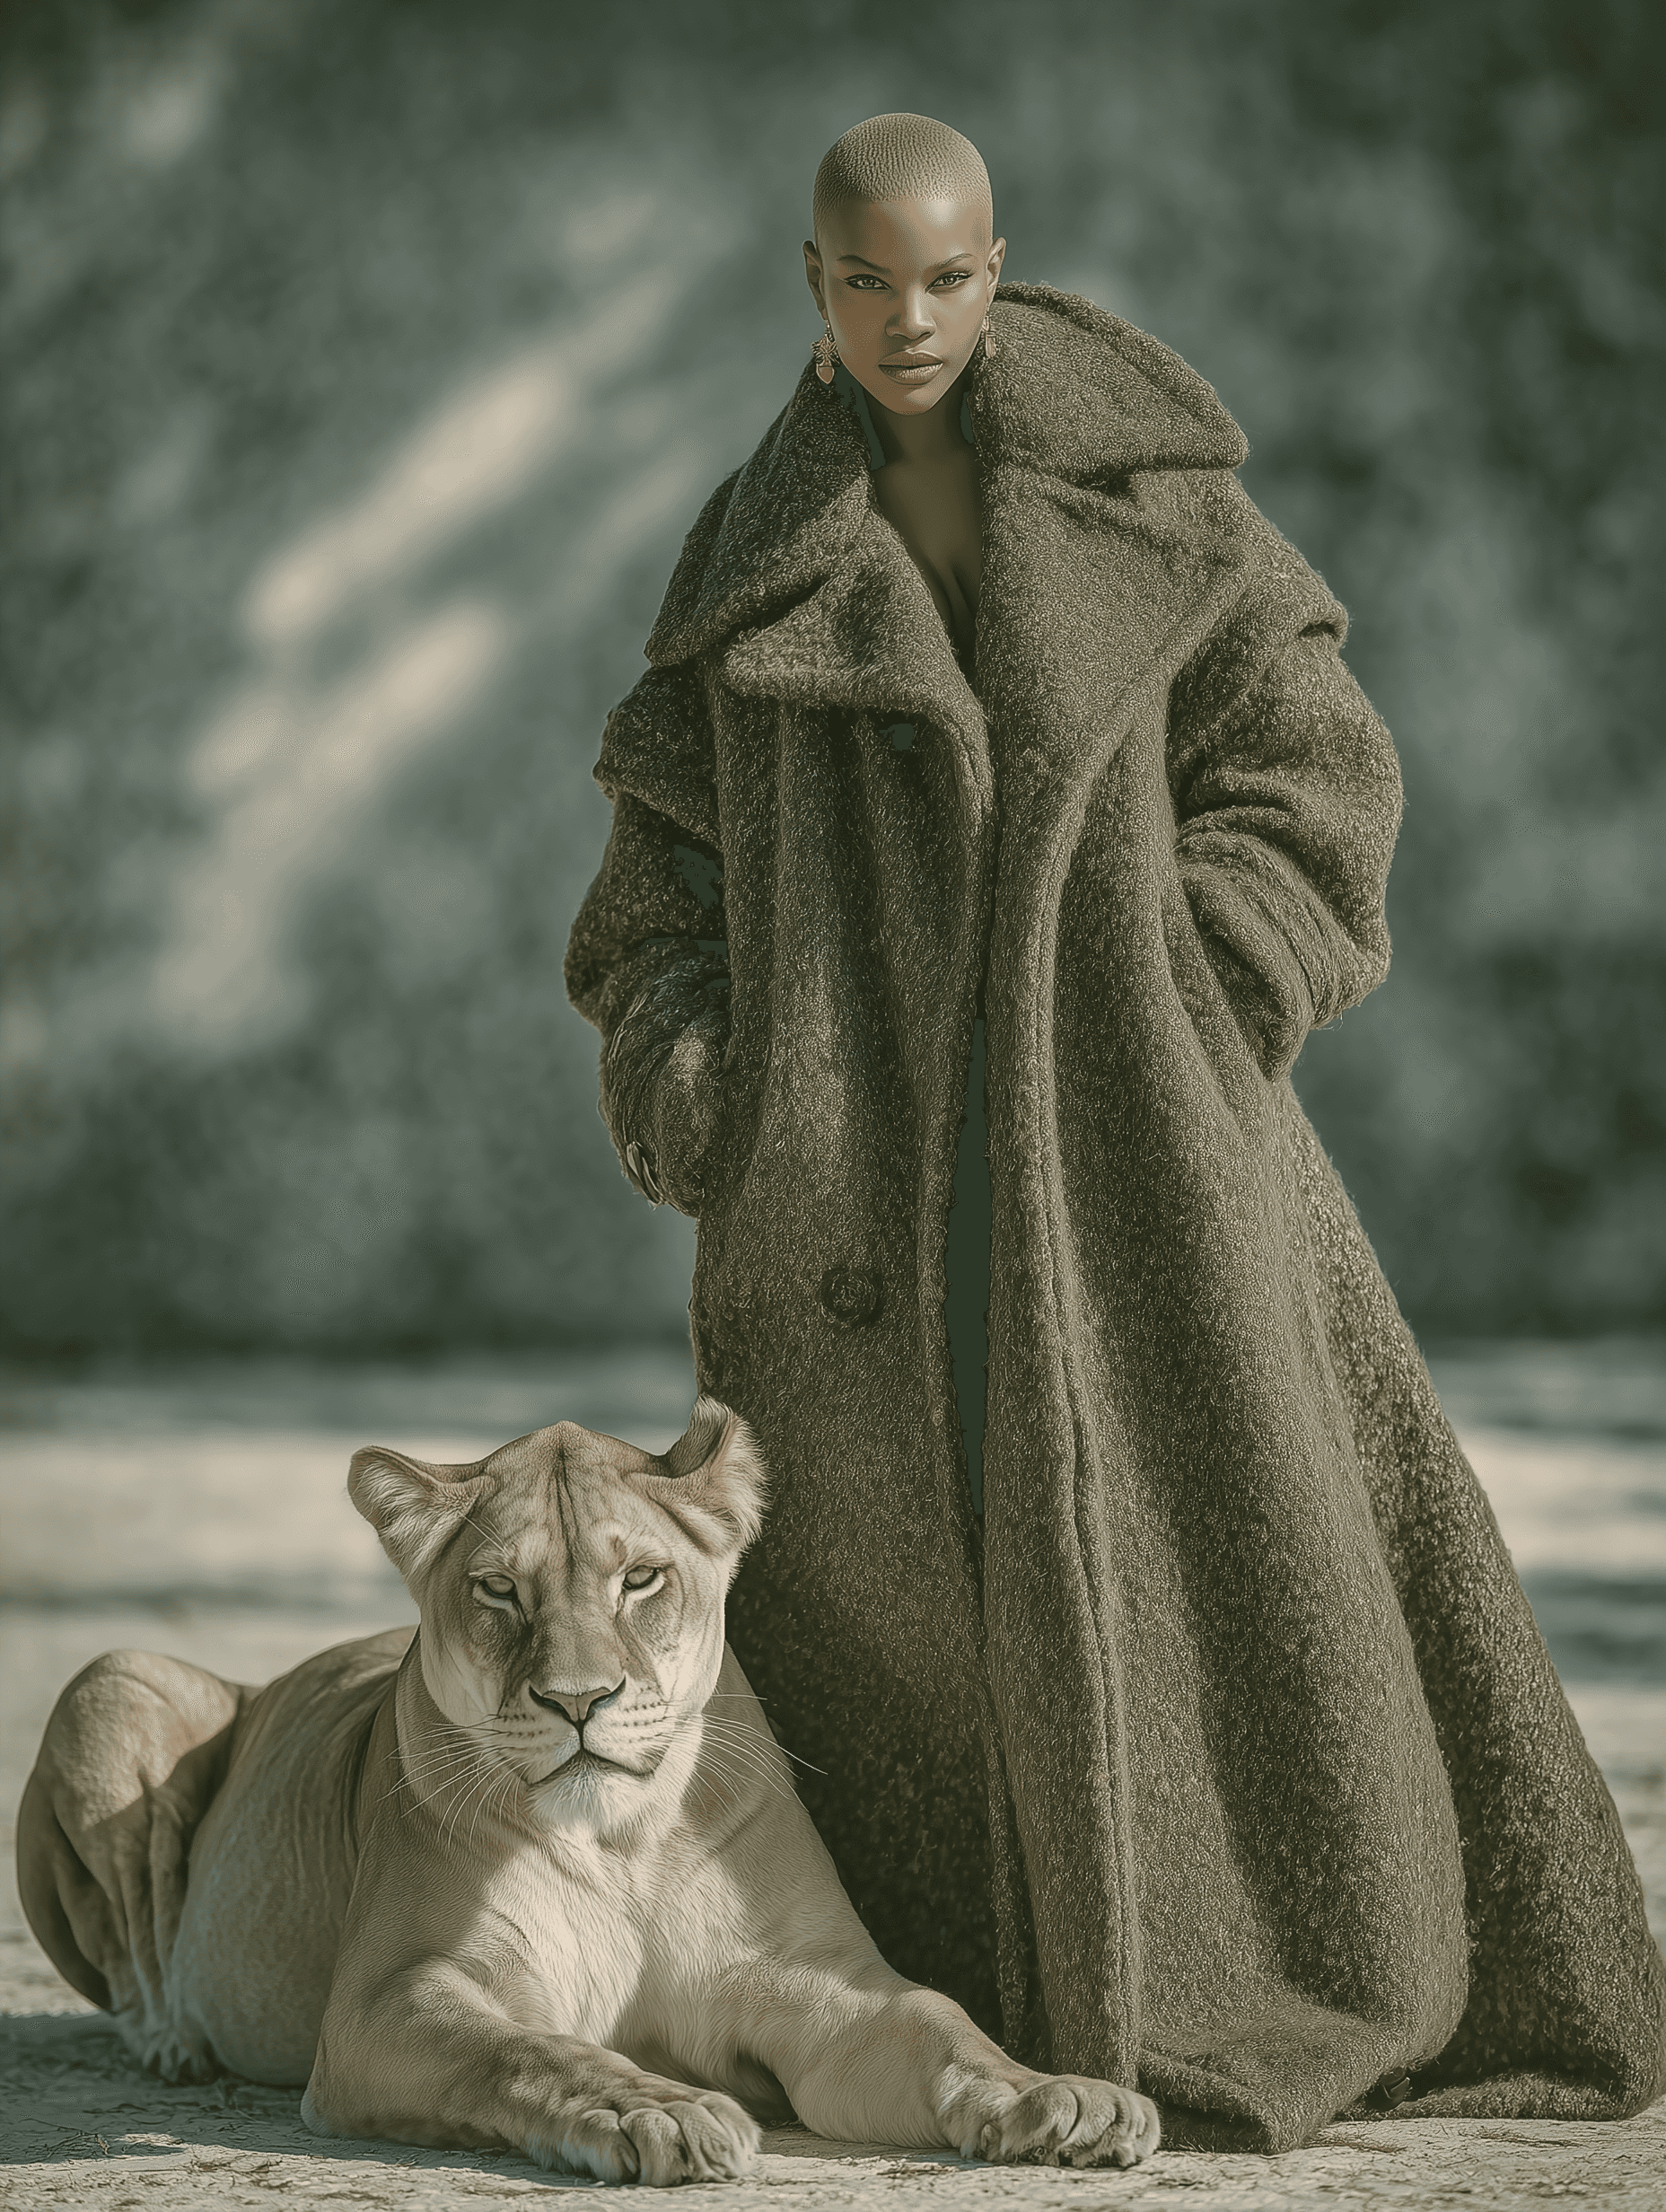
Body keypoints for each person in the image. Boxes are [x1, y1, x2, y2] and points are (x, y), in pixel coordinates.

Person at [565, 113, 1665, 2152]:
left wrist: (1207, 985)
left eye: (951, 273)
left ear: (1003, 266)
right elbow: (656, 888)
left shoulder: (1152, 505)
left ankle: (1234, 1974)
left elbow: (1312, 769)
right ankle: (960, 2015)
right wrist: (705, 1083)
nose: (913, 317)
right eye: (867, 278)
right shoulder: (756, 555)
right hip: (857, 1203)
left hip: (1140, 1162)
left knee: (1237, 1559)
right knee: (899, 1606)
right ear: (812, 285)